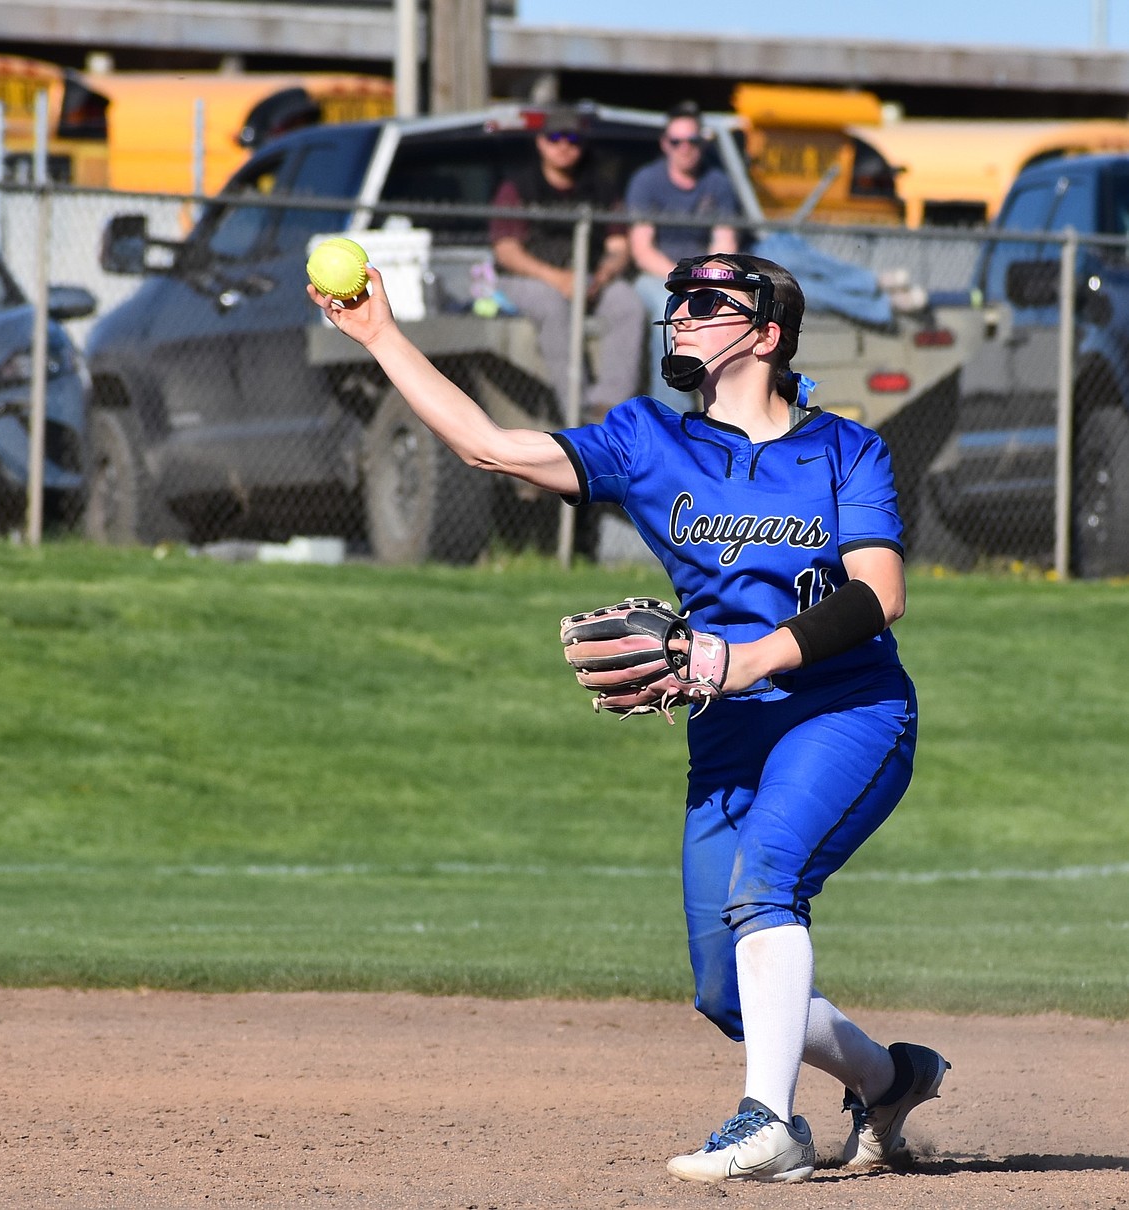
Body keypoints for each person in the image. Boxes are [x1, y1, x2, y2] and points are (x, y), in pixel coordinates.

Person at [307, 249, 949, 1186]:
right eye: (677, 300)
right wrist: (381, 335)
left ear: (766, 336)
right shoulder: (651, 441)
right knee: (726, 989)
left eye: (707, 302)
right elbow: (490, 445)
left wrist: (746, 658)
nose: (680, 313)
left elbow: (879, 593)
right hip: (729, 728)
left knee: (767, 881)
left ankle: (770, 1123)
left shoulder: (845, 449)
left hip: (846, 706)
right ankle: (890, 1083)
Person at [489, 105, 646, 420]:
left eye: (572, 139)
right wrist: (556, 278)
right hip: (526, 279)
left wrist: (603, 274)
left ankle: (608, 407)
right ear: (541, 143)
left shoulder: (600, 188)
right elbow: (506, 251)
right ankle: (576, 408)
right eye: (555, 137)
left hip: (586, 277)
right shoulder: (518, 187)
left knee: (628, 303)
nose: (564, 146)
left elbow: (619, 247)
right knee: (551, 304)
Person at [625, 101, 742, 410]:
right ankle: (671, 418)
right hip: (658, 277)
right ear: (666, 144)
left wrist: (705, 282)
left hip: (706, 278)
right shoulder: (646, 181)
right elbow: (642, 250)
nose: (685, 148)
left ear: (702, 142)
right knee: (670, 316)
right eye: (677, 141)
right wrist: (683, 284)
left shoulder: (718, 183)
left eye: (692, 140)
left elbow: (725, 243)